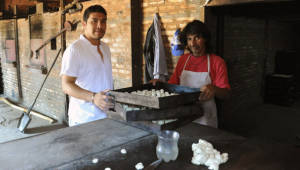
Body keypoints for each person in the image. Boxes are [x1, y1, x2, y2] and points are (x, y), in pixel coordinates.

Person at [152, 20, 230, 128]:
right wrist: (161, 84)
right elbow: (173, 85)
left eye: (197, 38)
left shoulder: (217, 62)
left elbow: (226, 94)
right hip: (183, 114)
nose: (192, 43)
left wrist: (214, 89)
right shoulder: (183, 60)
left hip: (205, 118)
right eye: (189, 39)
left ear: (205, 39)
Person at [60, 5, 114, 126]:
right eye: (94, 21)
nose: (100, 26)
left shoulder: (105, 48)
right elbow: (66, 85)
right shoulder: (75, 50)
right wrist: (93, 97)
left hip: (107, 115)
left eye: (103, 21)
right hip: (84, 119)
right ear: (84, 24)